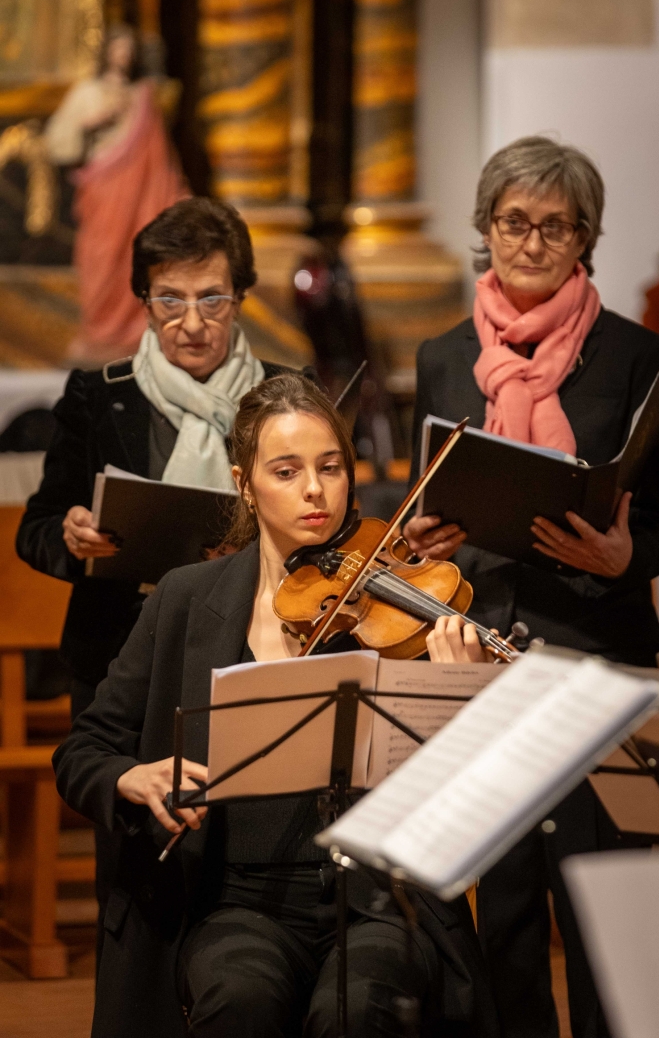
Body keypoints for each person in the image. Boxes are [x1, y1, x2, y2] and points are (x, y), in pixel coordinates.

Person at [52, 373, 499, 1038]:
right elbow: (83, 749)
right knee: (240, 998)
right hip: (234, 901)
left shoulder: (395, 610)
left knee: (358, 1008)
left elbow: (462, 808)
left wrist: (459, 697)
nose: (315, 490)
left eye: (330, 467)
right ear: (243, 482)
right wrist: (133, 775)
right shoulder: (183, 598)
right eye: (286, 471)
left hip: (378, 899)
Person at [402, 136, 659, 1038]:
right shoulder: (443, 356)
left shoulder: (636, 355)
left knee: (599, 902)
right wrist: (423, 536)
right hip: (480, 652)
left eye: (553, 227)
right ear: (486, 230)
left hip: (596, 653)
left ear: (584, 237)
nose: (530, 243)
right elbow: (423, 503)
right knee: (508, 906)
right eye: (513, 222)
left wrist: (621, 558)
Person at [17, 195, 313, 961]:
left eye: (211, 297)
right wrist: (74, 536)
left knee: (248, 852)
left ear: (239, 296)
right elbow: (38, 527)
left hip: (253, 648)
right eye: (169, 299)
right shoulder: (98, 392)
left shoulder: (284, 396)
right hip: (125, 657)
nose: (191, 321)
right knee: (140, 869)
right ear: (144, 300)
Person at [44, 23, 187, 362]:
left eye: (129, 49)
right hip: (102, 192)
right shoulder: (87, 92)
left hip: (140, 195)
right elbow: (56, 142)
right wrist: (91, 124)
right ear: (106, 51)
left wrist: (176, 194)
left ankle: (134, 339)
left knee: (136, 258)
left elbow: (161, 159)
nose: (123, 55)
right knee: (100, 259)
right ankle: (99, 334)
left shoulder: (143, 96)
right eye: (118, 48)